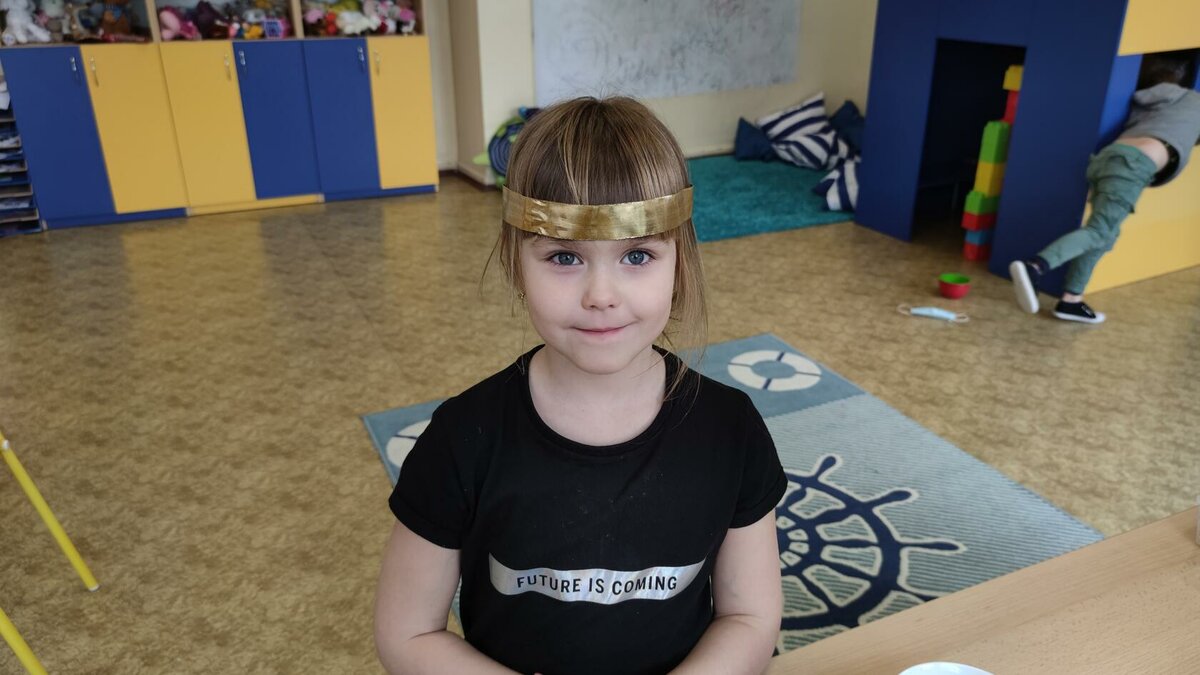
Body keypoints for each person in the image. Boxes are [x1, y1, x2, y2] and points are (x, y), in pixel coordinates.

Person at [373, 97, 787, 675]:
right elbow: (408, 633)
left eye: (637, 255)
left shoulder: (731, 431)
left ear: (680, 264)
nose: (601, 295)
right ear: (516, 264)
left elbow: (751, 617)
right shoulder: (461, 439)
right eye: (564, 257)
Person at [1010, 49, 1200, 323]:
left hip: (1108, 159)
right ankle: (1035, 267)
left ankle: (1071, 301)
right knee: (1099, 231)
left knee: (1105, 235)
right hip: (1133, 166)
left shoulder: (1158, 98)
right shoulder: (1194, 101)